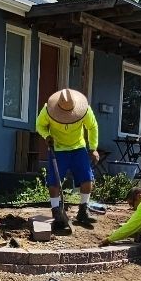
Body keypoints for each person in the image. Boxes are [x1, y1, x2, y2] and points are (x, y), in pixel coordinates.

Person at [36, 88, 99, 232]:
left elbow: (92, 126)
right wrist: (47, 136)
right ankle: (56, 211)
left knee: (87, 179)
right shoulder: (47, 110)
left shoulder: (85, 110)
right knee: (53, 182)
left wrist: (93, 148)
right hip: (58, 149)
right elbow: (39, 125)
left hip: (78, 148)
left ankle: (83, 210)